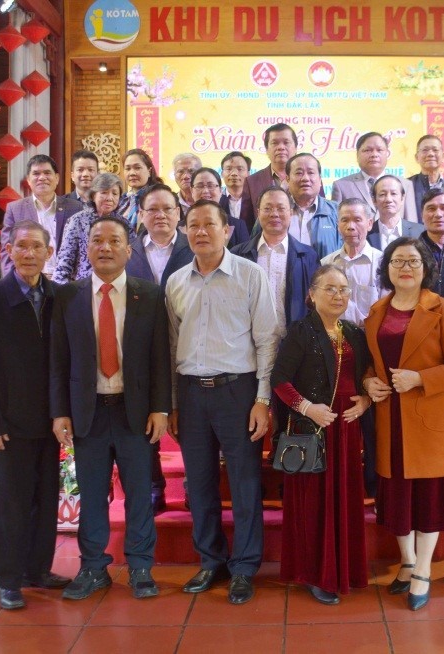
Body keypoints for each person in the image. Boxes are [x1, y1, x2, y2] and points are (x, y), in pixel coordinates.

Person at [51, 216, 171, 601]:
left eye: (114, 240)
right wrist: (60, 411)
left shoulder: (148, 294)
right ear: (86, 248)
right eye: (97, 240)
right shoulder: (67, 295)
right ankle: (92, 567)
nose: (105, 247)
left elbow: (159, 357)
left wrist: (160, 408)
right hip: (88, 410)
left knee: (138, 491)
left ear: (128, 250)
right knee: (91, 492)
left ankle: (139, 566)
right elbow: (58, 359)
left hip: (132, 410)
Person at [165, 199, 279, 605]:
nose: (200, 232)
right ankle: (211, 559)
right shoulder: (176, 281)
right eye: (192, 225)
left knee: (245, 482)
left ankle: (245, 567)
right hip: (192, 393)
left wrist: (262, 398)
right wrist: (175, 403)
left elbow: (268, 339)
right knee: (199, 482)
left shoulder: (250, 275)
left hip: (238, 391)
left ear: (227, 229)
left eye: (208, 224)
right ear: (184, 231)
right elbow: (172, 345)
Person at [362, 237, 444, 611]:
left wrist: (420, 379)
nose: (405, 267)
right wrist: (368, 382)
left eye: (412, 260)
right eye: (397, 261)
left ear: (426, 267)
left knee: (427, 500)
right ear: (387, 268)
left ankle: (423, 569)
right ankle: (407, 563)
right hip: (390, 419)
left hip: (430, 418)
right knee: (397, 499)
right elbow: (370, 365)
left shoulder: (442, 309)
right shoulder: (376, 312)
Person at [0, 220, 70, 610]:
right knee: (12, 504)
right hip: (9, 425)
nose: (29, 254)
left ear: (50, 253)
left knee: (45, 500)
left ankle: (37, 570)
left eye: (37, 247)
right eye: (21, 247)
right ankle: (9, 579)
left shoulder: (58, 297)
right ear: (8, 251)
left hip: (49, 420)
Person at [272, 265, 372, 605]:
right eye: (330, 288)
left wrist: (367, 400)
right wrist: (306, 408)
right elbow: (280, 381)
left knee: (345, 501)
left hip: (347, 426)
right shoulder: (301, 331)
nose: (338, 295)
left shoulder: (355, 333)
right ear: (311, 294)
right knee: (314, 505)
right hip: (313, 429)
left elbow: (365, 378)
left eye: (343, 289)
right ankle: (316, 573)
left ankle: (346, 569)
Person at [125, 183, 193, 513]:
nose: (161, 215)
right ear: (141, 215)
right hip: (141, 351)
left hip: (186, 346)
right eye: (153, 209)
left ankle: (195, 482)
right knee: (145, 419)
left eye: (168, 208)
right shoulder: (130, 251)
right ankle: (154, 485)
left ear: (179, 213)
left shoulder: (193, 247)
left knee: (190, 419)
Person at [231, 187, 319, 336]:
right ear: (258, 213)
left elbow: (315, 303)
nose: (274, 214)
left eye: (280, 208)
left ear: (291, 213)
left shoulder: (308, 256)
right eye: (268, 208)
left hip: (293, 341)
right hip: (248, 341)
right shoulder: (237, 255)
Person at [0, 154, 83, 277]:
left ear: (57, 178)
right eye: (36, 173)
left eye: (47, 173)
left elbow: (83, 250)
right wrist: (13, 285)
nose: (42, 177)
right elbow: (8, 253)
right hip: (29, 281)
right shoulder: (15, 209)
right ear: (28, 179)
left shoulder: (75, 208)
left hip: (66, 283)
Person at [52, 172, 124, 284]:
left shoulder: (124, 224)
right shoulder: (78, 221)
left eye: (115, 193)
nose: (110, 198)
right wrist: (61, 295)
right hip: (83, 289)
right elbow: (64, 262)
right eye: (104, 192)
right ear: (93, 195)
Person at [332, 132, 418, 223]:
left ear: (387, 154)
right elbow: (337, 224)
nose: (374, 154)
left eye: (379, 150)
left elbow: (411, 224)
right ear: (357, 155)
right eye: (368, 150)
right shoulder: (342, 186)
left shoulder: (405, 184)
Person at [322, 198, 383, 324]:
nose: (350, 227)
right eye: (345, 220)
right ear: (337, 224)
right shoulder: (327, 264)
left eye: (357, 220)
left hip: (370, 335)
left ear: (370, 224)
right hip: (335, 337)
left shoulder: (382, 262)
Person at [286, 153, 341, 258]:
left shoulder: (338, 211)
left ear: (320, 180)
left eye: (311, 173)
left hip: (326, 273)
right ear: (288, 180)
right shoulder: (275, 211)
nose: (305, 178)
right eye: (299, 173)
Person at [244, 122, 298, 219]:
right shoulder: (251, 182)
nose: (281, 147)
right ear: (266, 150)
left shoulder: (310, 178)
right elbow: (247, 224)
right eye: (274, 143)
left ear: (296, 148)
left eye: (286, 142)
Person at [189, 167, 250, 246]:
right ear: (191, 191)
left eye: (210, 186)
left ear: (220, 190)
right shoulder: (180, 227)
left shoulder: (238, 226)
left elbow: (245, 256)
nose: (205, 191)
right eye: (199, 186)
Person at [367, 175, 425, 252]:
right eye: (382, 194)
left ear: (402, 198)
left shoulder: (420, 231)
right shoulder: (366, 233)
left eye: (393, 193)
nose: (388, 199)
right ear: (374, 200)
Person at [408, 134, 444, 213]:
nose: (430, 154)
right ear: (417, 157)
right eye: (425, 150)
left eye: (435, 150)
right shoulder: (407, 186)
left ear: (443, 156)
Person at [119, 148, 165, 231]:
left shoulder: (162, 198)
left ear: (149, 171)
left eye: (137, 167)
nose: (132, 173)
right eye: (128, 169)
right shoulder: (121, 201)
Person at [221, 150, 254, 232]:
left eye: (240, 169)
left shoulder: (255, 199)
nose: (234, 173)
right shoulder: (216, 200)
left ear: (248, 173)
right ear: (222, 173)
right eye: (229, 169)